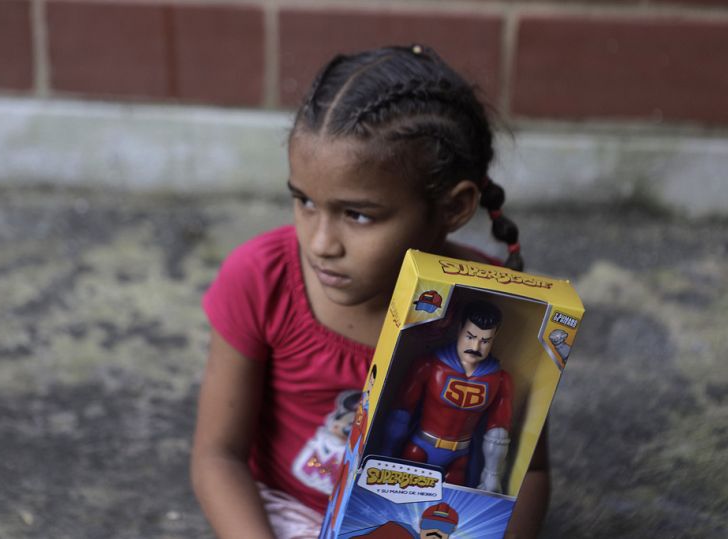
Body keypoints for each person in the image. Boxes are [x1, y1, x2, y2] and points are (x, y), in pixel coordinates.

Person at [190, 44, 549, 539]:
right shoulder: (260, 278)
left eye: (358, 215)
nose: (320, 243)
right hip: (282, 515)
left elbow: (525, 472)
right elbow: (217, 456)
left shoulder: (493, 311)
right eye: (304, 201)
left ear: (452, 208)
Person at [382, 300, 512, 492]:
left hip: (460, 457)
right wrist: (385, 453)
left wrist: (492, 475)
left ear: (495, 338)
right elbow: (402, 412)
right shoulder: (429, 366)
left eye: (485, 341)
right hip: (420, 448)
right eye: (470, 337)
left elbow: (498, 431)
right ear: (459, 329)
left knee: (451, 504)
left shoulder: (500, 379)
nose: (475, 346)